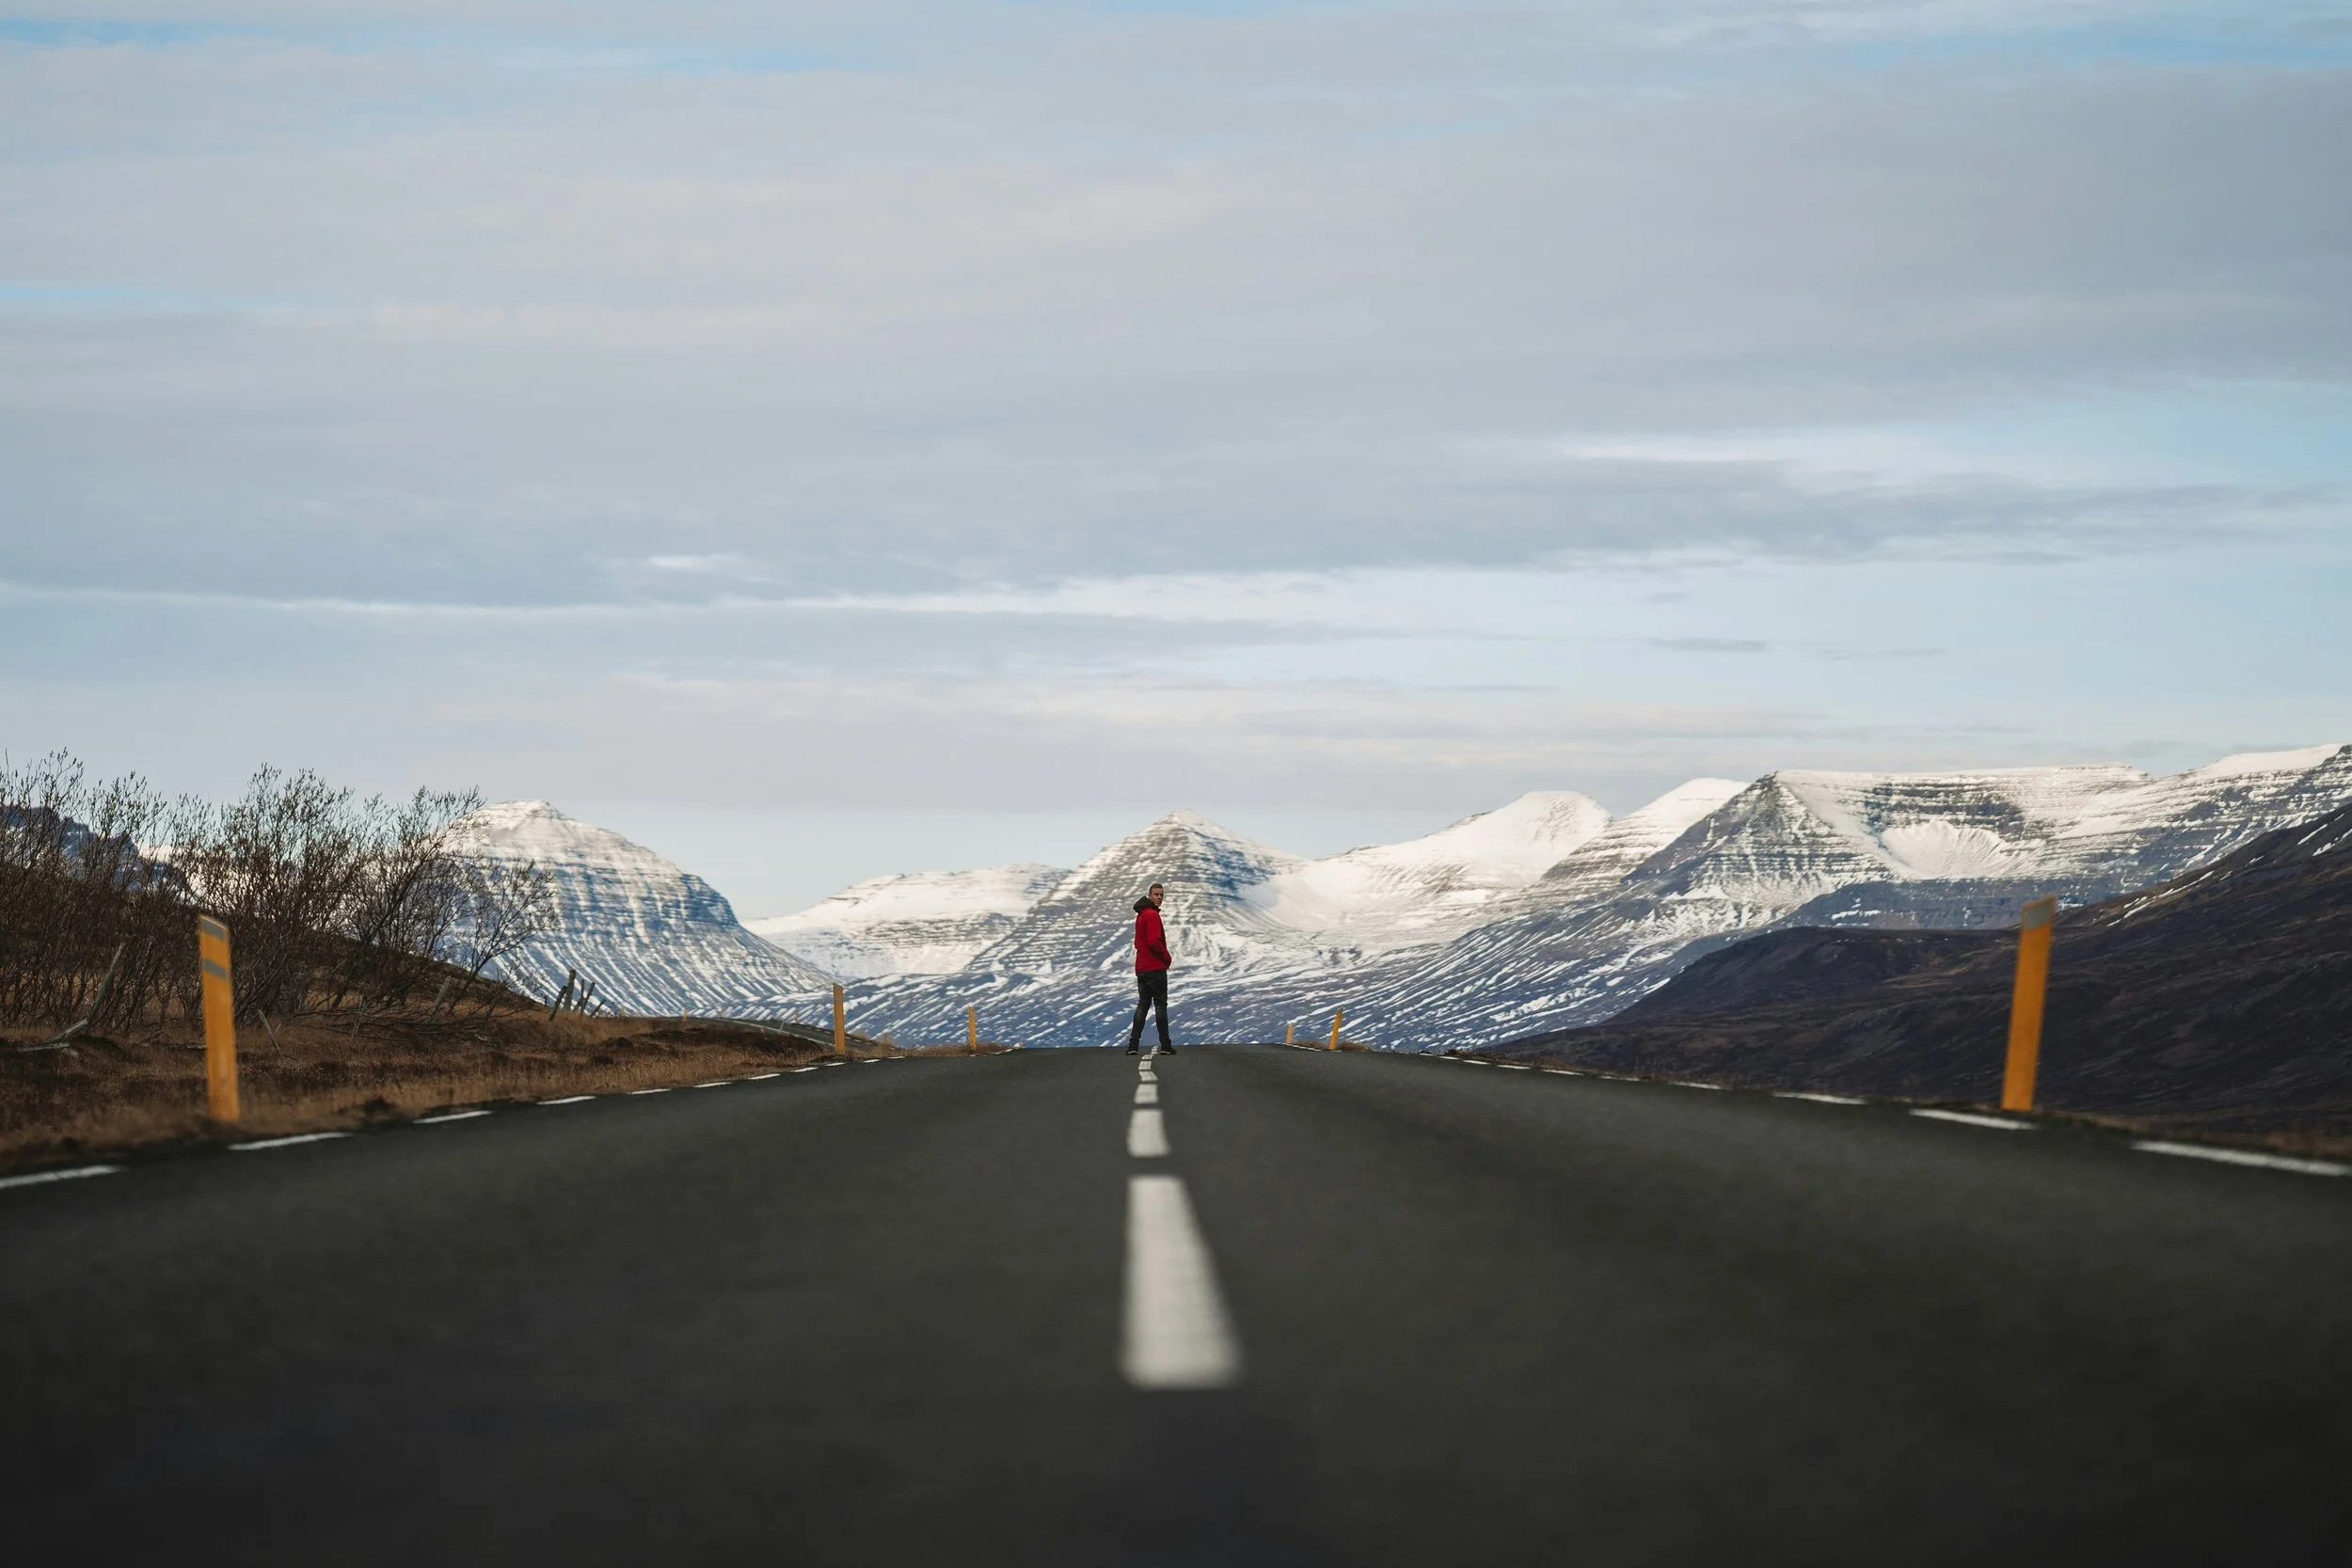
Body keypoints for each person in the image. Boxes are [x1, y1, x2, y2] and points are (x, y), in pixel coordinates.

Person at [1126, 881, 1174, 1055]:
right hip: (1155, 967)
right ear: (1149, 895)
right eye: (1156, 894)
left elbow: (1138, 941)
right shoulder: (1152, 915)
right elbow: (1154, 941)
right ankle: (1166, 1045)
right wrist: (1167, 957)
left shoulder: (1141, 916)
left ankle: (1133, 1045)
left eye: (1162, 895)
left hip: (1142, 968)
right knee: (1160, 1005)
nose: (1160, 898)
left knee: (1143, 1005)